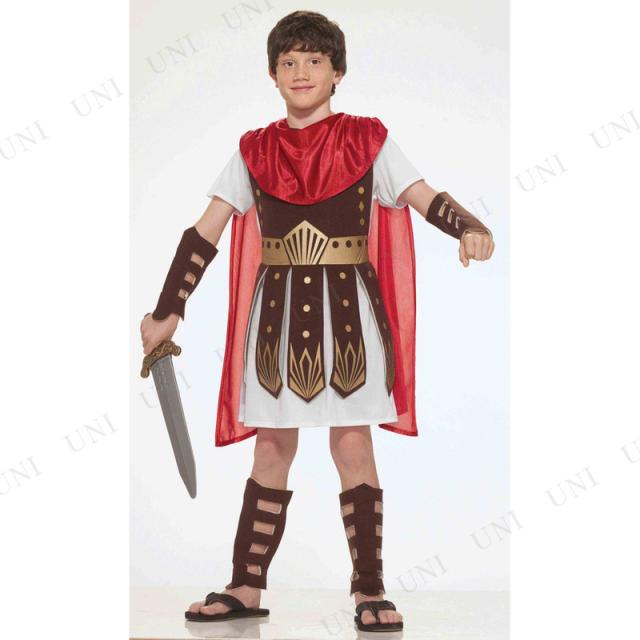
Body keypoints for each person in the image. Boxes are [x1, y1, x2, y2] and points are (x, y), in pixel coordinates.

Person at [139, 10, 494, 633]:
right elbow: (205, 232)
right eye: (288, 62)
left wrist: (469, 225)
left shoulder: (367, 140)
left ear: (337, 73)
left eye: (314, 61)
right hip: (274, 322)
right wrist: (168, 311)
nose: (301, 72)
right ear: (272, 74)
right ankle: (245, 585)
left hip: (351, 319)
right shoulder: (253, 151)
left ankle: (370, 590)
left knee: (352, 444)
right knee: (272, 447)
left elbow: (422, 196)